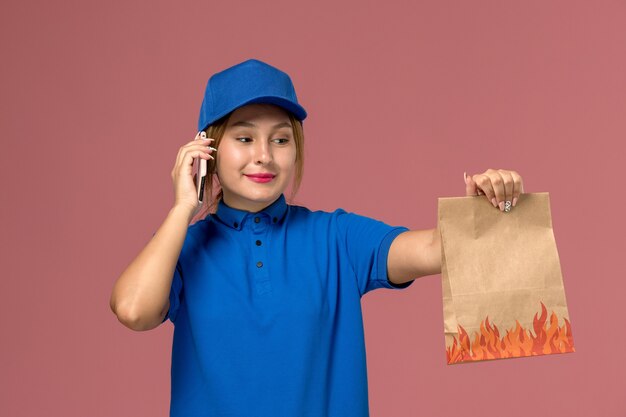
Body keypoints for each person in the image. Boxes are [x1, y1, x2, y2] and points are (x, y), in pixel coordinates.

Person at [109, 58, 524, 417]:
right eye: (244, 137)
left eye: (281, 139)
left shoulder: (336, 237)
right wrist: (183, 206)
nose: (264, 156)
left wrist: (483, 211)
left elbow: (437, 249)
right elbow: (132, 309)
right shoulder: (182, 246)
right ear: (207, 150)